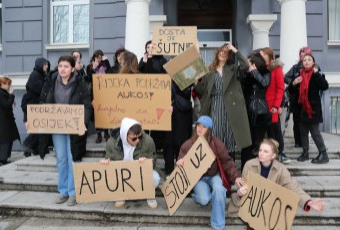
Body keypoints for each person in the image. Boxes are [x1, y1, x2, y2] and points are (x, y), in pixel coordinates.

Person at [36, 55, 92, 206]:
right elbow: (42, 101)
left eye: (66, 66)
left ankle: (73, 192)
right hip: (57, 126)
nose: (62, 69)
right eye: (60, 65)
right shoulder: (51, 80)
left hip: (75, 127)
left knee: (74, 158)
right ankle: (63, 192)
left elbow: (87, 105)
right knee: (61, 159)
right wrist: (39, 117)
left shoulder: (80, 83)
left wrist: (83, 123)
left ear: (73, 68)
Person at [235, 138, 325, 230]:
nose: (261, 153)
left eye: (265, 151)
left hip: (271, 208)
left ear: (273, 155)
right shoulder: (249, 165)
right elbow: (243, 187)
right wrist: (240, 192)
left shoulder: (280, 169)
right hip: (253, 207)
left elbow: (292, 187)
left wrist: (308, 201)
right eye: (260, 150)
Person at [176, 115, 243, 230]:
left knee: (219, 189)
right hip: (199, 179)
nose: (200, 129)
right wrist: (179, 163)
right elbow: (179, 164)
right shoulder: (188, 145)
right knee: (204, 200)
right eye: (198, 125)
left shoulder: (216, 144)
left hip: (213, 175)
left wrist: (236, 177)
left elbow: (227, 162)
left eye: (204, 127)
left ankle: (217, 225)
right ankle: (196, 195)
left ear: (209, 130)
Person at [195, 43, 251, 161]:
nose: (222, 53)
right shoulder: (209, 71)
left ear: (228, 56)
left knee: (229, 135)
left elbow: (246, 65)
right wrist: (195, 82)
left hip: (231, 107)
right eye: (221, 51)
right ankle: (217, 168)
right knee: (216, 133)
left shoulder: (233, 69)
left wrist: (235, 50)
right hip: (215, 105)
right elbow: (202, 91)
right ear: (217, 54)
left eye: (225, 52)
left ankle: (230, 168)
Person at [100, 117, 160, 209]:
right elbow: (109, 159)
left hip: (140, 174)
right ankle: (121, 194)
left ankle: (149, 194)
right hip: (122, 176)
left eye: (139, 137)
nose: (137, 140)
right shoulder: (111, 143)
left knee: (155, 178)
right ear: (125, 136)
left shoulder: (148, 141)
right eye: (134, 138)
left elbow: (154, 161)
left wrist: (147, 161)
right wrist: (107, 162)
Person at [138, 40, 174, 176]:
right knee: (146, 134)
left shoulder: (163, 60)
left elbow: (163, 76)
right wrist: (146, 60)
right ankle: (148, 164)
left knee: (164, 136)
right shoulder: (143, 60)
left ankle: (167, 167)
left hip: (160, 100)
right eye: (147, 47)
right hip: (146, 101)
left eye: (152, 46)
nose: (149, 48)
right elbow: (141, 74)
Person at [288, 54, 329, 164]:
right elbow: (290, 91)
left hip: (313, 110)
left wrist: (316, 74)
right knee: (303, 132)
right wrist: (294, 83)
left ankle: (323, 153)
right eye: (304, 60)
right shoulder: (299, 75)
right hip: (302, 110)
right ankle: (305, 152)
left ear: (313, 63)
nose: (306, 62)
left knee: (315, 132)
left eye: (309, 60)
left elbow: (325, 86)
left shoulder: (316, 75)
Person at [240, 52, 270, 170]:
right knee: (246, 143)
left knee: (257, 143)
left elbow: (264, 83)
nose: (247, 64)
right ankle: (244, 168)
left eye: (249, 62)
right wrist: (245, 74)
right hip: (247, 111)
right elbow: (241, 88)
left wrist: (254, 72)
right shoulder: (246, 75)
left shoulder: (265, 73)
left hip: (260, 112)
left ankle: (257, 169)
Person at [260, 47, 290, 164]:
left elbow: (280, 89)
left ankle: (280, 152)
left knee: (275, 131)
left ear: (269, 56)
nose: (261, 57)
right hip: (262, 107)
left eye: (263, 55)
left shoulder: (276, 69)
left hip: (272, 107)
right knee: (267, 132)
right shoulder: (262, 69)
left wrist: (277, 106)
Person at [285, 47, 318, 148]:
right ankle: (298, 142)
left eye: (304, 55)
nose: (302, 57)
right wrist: (293, 82)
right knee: (296, 121)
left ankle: (305, 144)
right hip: (296, 98)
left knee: (307, 123)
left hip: (308, 100)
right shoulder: (295, 67)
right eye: (301, 55)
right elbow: (285, 77)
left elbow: (321, 82)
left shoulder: (314, 67)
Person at [21, 57, 49, 157]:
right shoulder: (35, 75)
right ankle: (28, 145)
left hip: (34, 105)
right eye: (45, 64)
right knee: (37, 128)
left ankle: (35, 148)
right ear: (41, 65)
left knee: (39, 128)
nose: (47, 66)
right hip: (33, 105)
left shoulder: (39, 75)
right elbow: (40, 90)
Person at [0, 76, 20, 168]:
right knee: (3, 140)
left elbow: (8, 104)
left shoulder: (3, 92)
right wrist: (11, 95)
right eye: (6, 84)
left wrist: (11, 99)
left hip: (6, 119)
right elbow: (6, 104)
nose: (8, 86)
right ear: (0, 84)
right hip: (2, 120)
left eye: (9, 84)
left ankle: (3, 159)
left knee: (8, 139)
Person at [86, 49, 111, 143]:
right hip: (95, 92)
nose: (99, 59)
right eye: (97, 57)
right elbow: (88, 78)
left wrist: (107, 61)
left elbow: (110, 74)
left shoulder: (105, 66)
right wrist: (93, 69)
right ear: (94, 58)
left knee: (105, 112)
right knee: (96, 114)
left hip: (105, 92)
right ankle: (99, 135)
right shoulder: (90, 66)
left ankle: (106, 133)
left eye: (101, 57)